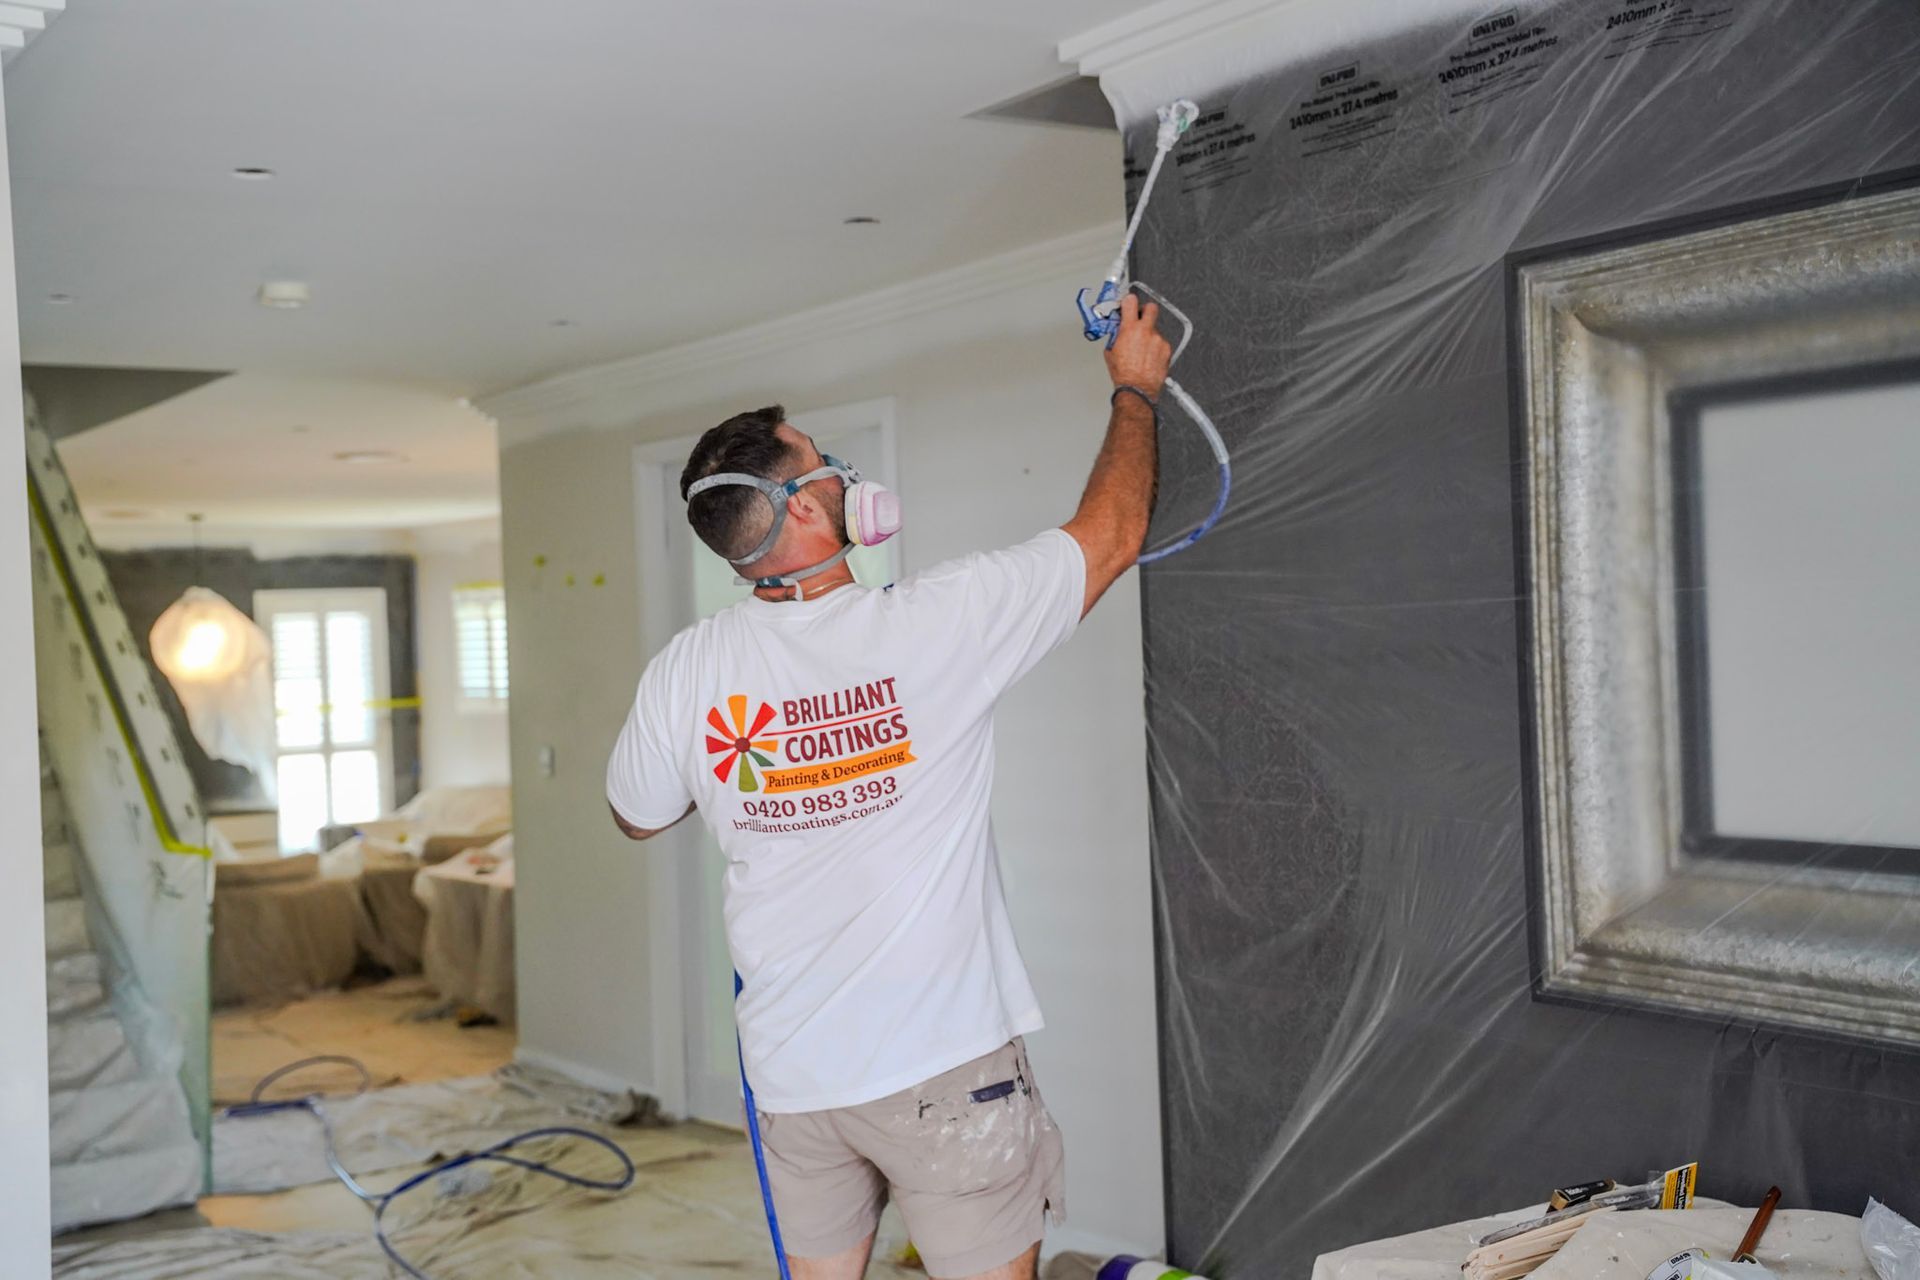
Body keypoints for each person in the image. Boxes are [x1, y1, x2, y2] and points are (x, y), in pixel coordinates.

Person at [606, 295, 1172, 1280]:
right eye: (824, 458)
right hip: (943, 1071)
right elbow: (1113, 531)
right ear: (806, 508)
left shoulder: (687, 671)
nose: (841, 471)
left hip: (796, 1077)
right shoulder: (934, 627)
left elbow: (638, 811)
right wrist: (1134, 386)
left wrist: (766, 761)